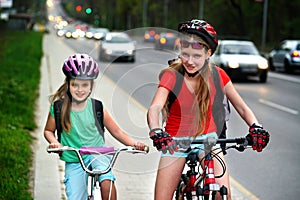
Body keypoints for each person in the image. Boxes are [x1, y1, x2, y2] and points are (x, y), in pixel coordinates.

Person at [147, 19, 270, 200]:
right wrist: (156, 131)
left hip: (209, 141)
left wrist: (256, 127)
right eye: (185, 54)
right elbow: (154, 108)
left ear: (208, 53)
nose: (189, 61)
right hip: (175, 142)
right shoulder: (172, 75)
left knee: (222, 195)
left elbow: (242, 108)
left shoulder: (218, 75)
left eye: (196, 56)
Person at [44, 53, 146, 200]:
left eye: (85, 85)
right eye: (75, 85)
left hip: (98, 153)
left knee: (107, 184)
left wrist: (134, 144)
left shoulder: (97, 107)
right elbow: (48, 131)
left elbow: (116, 131)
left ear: (91, 85)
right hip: (74, 158)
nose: (80, 89)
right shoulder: (59, 108)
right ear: (68, 84)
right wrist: (54, 142)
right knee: (75, 196)